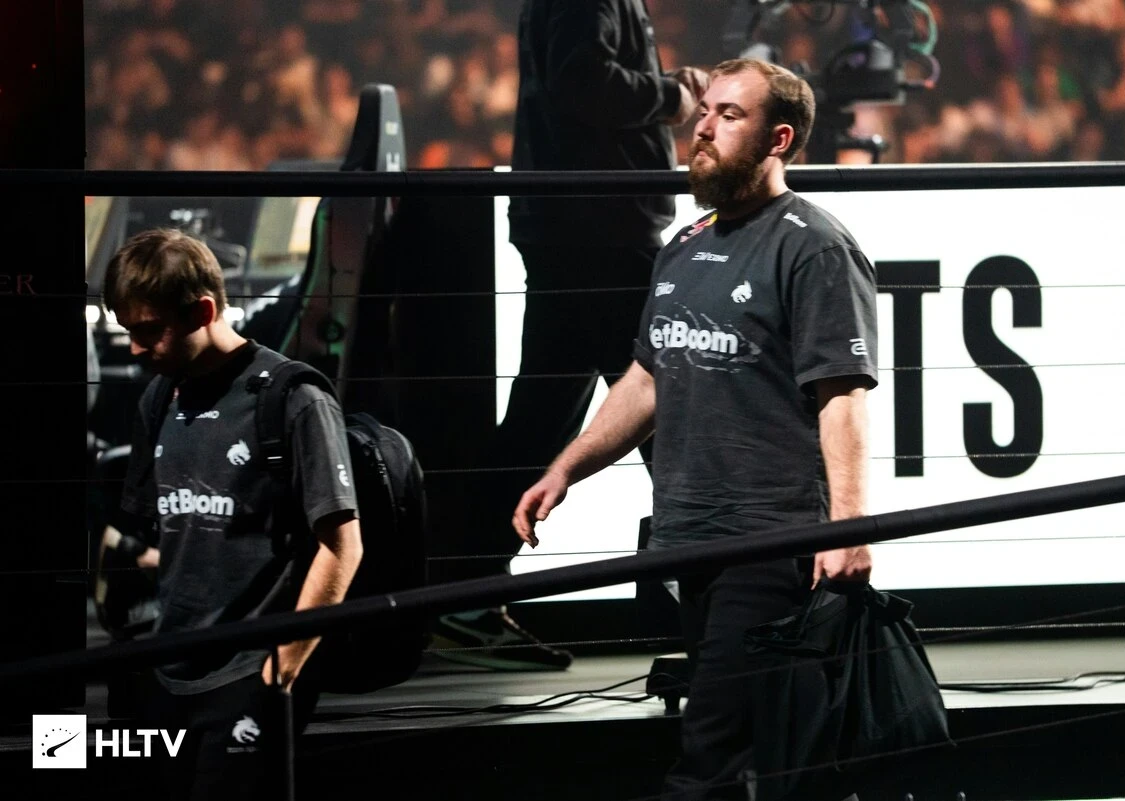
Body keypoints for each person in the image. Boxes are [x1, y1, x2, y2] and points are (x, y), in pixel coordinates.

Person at [512, 58, 878, 800]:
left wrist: (848, 529)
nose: (702, 127)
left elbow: (841, 396)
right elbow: (647, 378)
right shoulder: (684, 243)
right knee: (748, 751)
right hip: (689, 536)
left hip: (767, 541)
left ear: (778, 138)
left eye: (728, 115)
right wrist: (566, 468)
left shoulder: (813, 246)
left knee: (708, 756)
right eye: (704, 110)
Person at [431, 0, 710, 671]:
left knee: (549, 414)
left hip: (582, 227)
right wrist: (672, 95)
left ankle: (463, 595)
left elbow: (582, 80)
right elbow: (583, 82)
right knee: (663, 408)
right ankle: (714, 587)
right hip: (598, 232)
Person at [104, 228, 362, 801]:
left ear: (202, 311)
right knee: (65, 758)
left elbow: (343, 544)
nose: (136, 349)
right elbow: (171, 532)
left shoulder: (294, 399)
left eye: (148, 330)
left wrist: (283, 668)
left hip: (248, 676)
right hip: (166, 671)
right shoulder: (158, 398)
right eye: (129, 332)